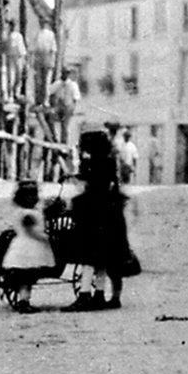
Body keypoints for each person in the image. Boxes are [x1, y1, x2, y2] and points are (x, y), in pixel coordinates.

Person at [67, 130, 133, 310]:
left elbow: (87, 182)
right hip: (109, 211)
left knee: (88, 257)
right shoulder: (110, 161)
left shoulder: (89, 163)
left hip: (92, 210)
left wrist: (74, 177)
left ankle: (84, 295)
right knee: (102, 258)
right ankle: (99, 295)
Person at [1, 179, 58, 313]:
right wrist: (45, 237)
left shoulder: (24, 212)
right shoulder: (27, 214)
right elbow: (31, 231)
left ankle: (25, 301)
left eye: (35, 195)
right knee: (26, 277)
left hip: (25, 245)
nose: (34, 198)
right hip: (29, 247)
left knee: (28, 277)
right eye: (31, 195)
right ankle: (24, 302)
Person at [46, 67, 81, 177]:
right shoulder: (58, 83)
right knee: (53, 120)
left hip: (68, 106)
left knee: (65, 126)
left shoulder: (73, 85)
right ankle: (55, 138)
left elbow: (76, 98)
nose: (64, 75)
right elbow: (49, 91)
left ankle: (64, 142)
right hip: (59, 106)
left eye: (66, 73)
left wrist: (72, 108)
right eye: (63, 73)